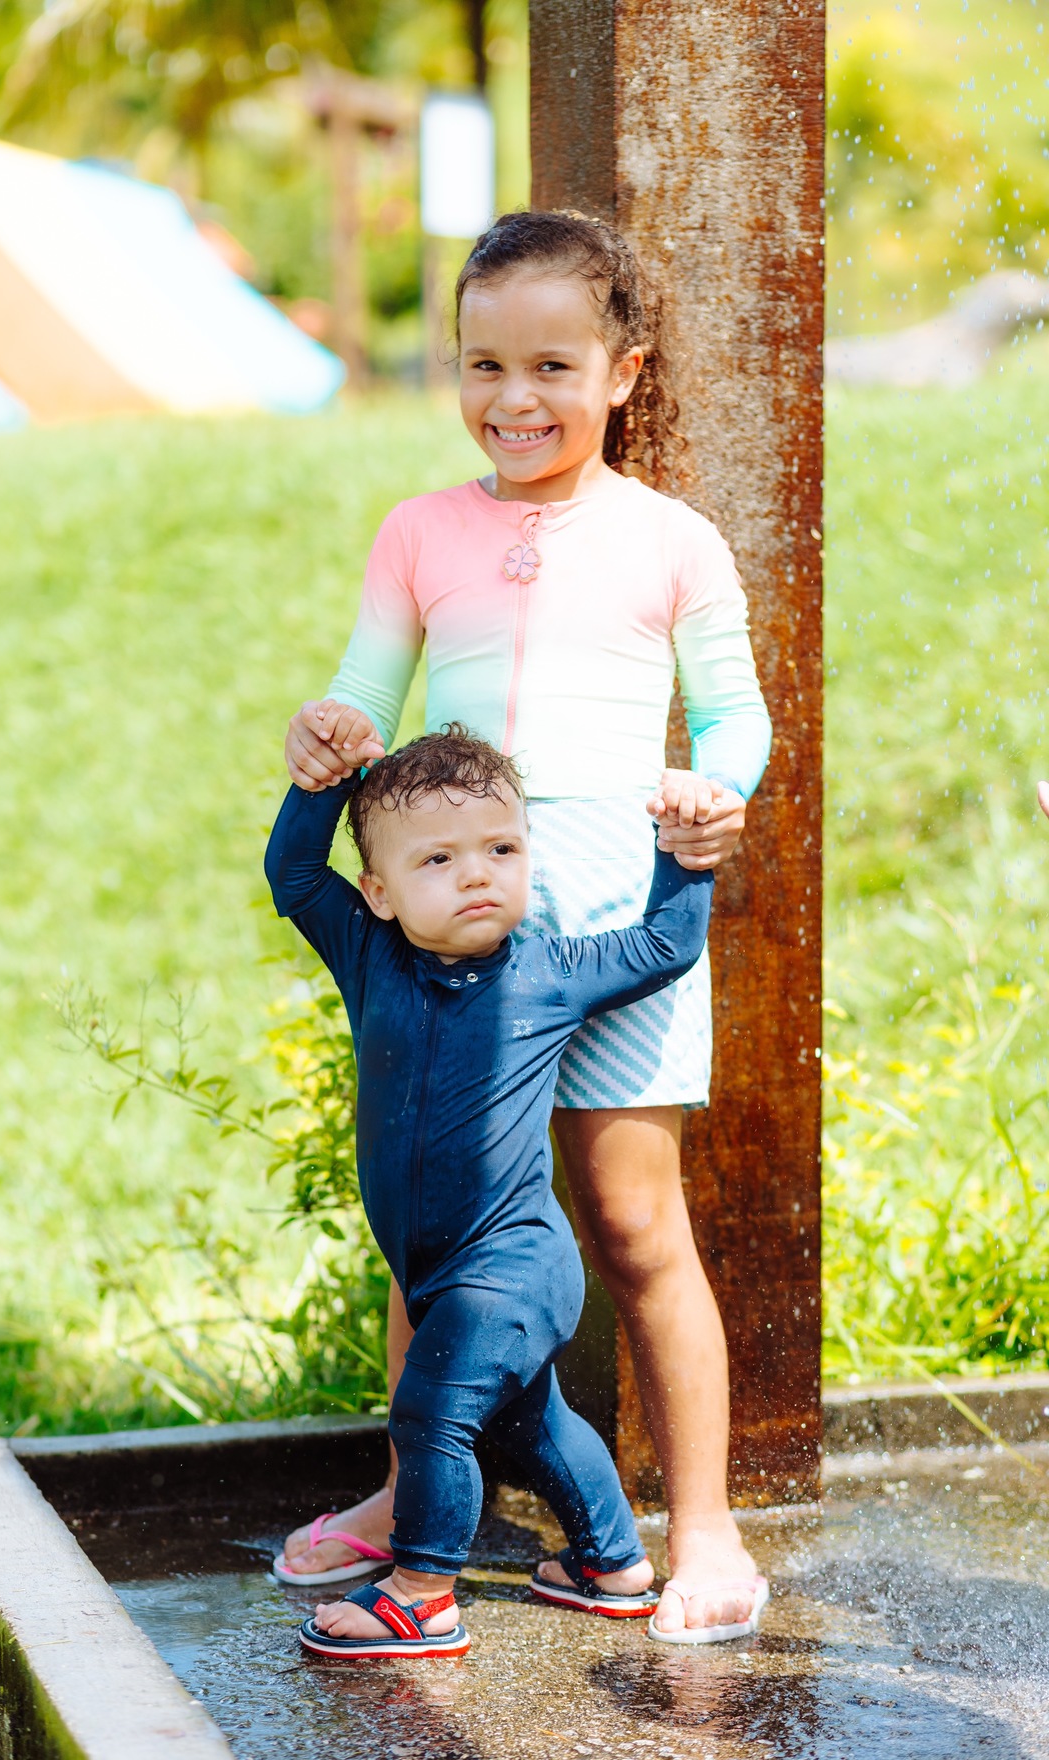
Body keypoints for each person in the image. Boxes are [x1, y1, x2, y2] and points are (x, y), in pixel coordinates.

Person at [277, 211, 772, 1642]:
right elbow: (369, 686)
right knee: (431, 1230)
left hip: (614, 909)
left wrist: (712, 789)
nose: (514, 397)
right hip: (448, 927)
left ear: (623, 369)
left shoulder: (671, 539)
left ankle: (708, 1531)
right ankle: (405, 1493)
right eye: (483, 363)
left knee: (631, 1217)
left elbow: (734, 715)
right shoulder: (421, 530)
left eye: (553, 363)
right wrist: (336, 727)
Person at [266, 727, 765, 1658]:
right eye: (439, 859)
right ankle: (611, 1564)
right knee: (531, 1421)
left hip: (512, 1265)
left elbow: (663, 943)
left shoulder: (547, 973)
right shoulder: (367, 955)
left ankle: (421, 1593)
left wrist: (680, 855)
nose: (477, 875)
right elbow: (294, 873)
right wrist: (323, 788)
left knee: (427, 1411)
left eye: (502, 849)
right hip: (443, 1269)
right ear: (378, 891)